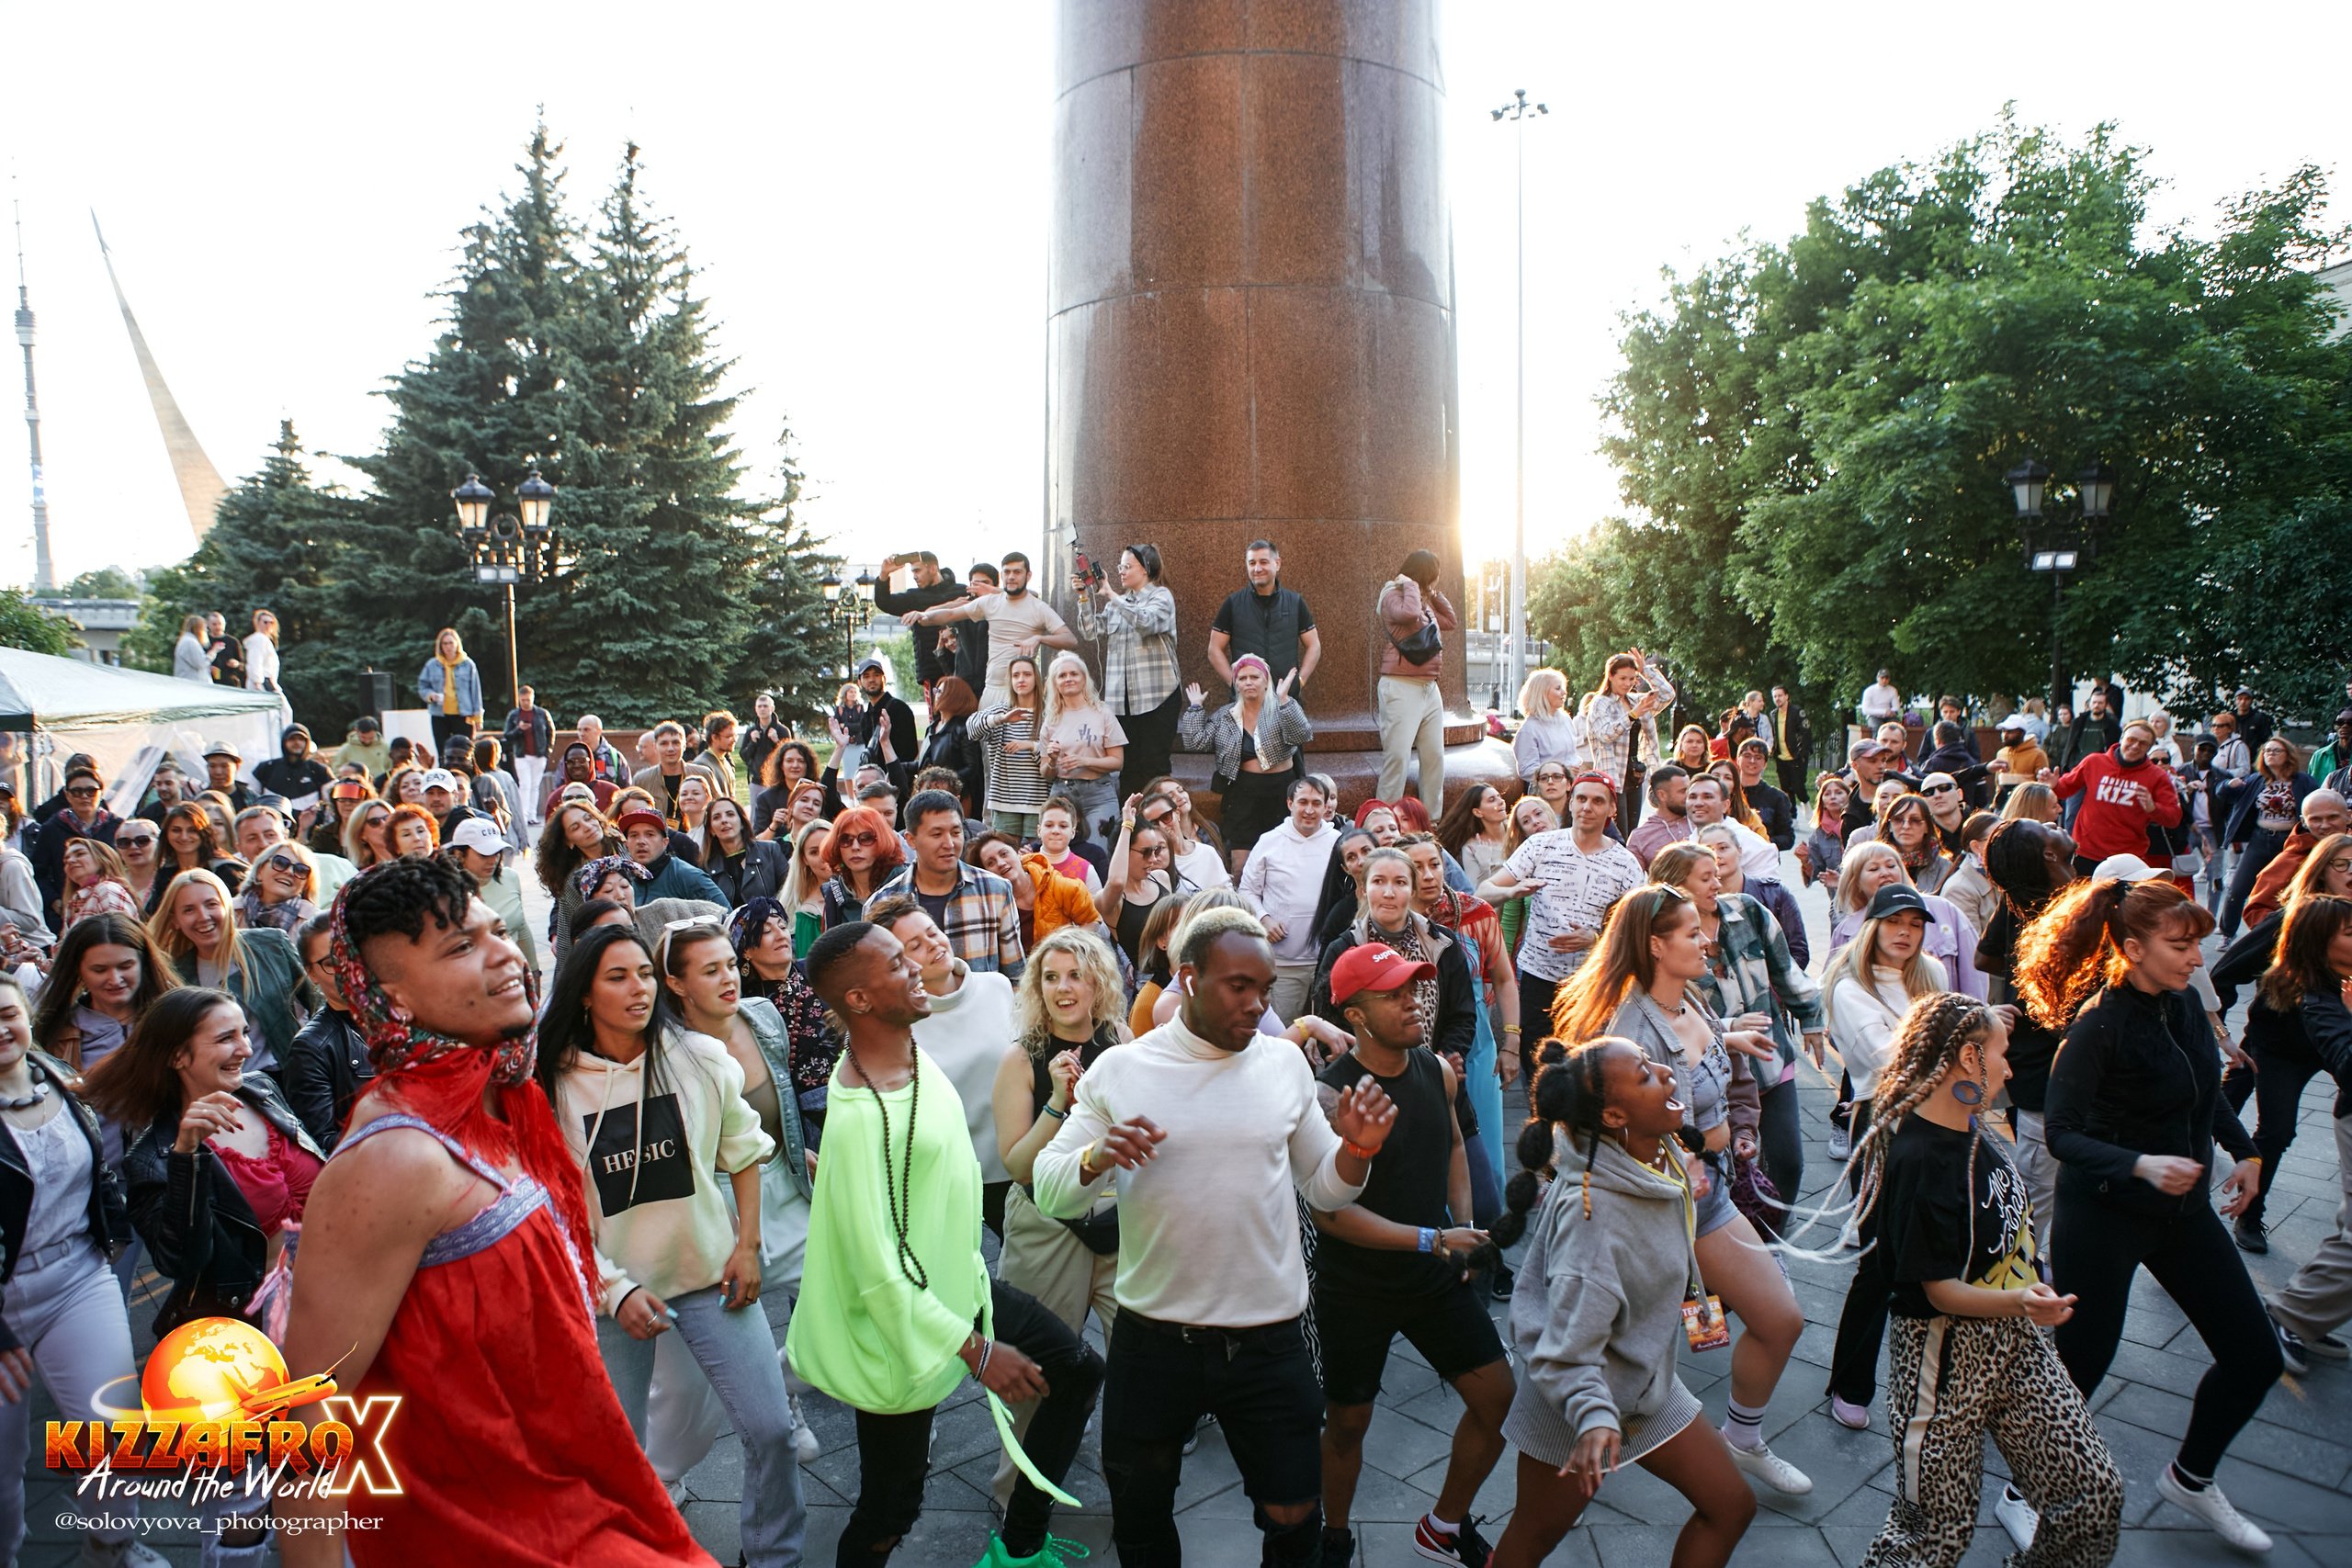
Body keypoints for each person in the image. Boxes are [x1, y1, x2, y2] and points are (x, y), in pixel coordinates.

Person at [270, 858, 707, 1566]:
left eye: (498, 930)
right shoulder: (394, 1158)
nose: (505, 954)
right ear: (392, 998)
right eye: (460, 947)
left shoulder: (508, 1092)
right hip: (489, 1534)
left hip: (580, 1496)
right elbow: (307, 1407)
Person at [1032, 908, 1396, 1568]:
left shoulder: (1283, 1065)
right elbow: (1050, 1187)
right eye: (1239, 986)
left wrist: (1358, 1152)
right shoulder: (1122, 1069)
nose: (1257, 1004)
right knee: (1140, 1523)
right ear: (1189, 978)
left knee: (1294, 1515)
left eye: (1263, 987)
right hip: (1153, 1340)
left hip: (1269, 1338)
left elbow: (1324, 1187)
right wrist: (1097, 1157)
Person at [788, 920, 1102, 1568]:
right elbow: (879, 1272)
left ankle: (1018, 1545)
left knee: (1077, 1368)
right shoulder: (863, 1118)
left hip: (961, 1288)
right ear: (860, 1000)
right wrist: (978, 1350)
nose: (918, 966)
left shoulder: (908, 1049)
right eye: (898, 963)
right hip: (897, 1333)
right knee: (890, 1507)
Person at [2022, 875, 2279, 1551]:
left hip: (2183, 1212)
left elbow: (2205, 1090)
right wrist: (2140, 1163)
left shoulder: (2185, 1005)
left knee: (2256, 1354)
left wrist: (2245, 1151)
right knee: (2081, 1364)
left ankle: (2191, 1478)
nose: (2198, 957)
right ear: (2133, 947)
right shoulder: (2099, 1024)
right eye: (2182, 944)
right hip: (2104, 1213)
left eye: (2197, 943)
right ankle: (2024, 1487)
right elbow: (2063, 1134)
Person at [535, 924, 804, 1567]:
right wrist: (614, 1287)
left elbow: (743, 1151)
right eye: (617, 976)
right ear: (583, 995)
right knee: (614, 1453)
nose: (638, 989)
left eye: (645, 974)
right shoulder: (554, 1086)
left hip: (712, 1273)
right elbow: (556, 1212)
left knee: (772, 1431)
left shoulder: (701, 1057)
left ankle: (775, 1556)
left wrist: (746, 1244)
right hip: (611, 1296)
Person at [1846, 992, 2124, 1567]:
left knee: (2093, 1494)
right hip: (1944, 1361)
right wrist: (2023, 1300)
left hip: (2016, 1344)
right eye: (2001, 1053)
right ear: (1968, 1060)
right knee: (1931, 1537)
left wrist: (2029, 1284)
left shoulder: (1972, 1122)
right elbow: (1939, 1291)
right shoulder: (1921, 1158)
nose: (2010, 1066)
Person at [1553, 882, 1814, 1495]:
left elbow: (1712, 1058)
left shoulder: (1689, 996)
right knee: (1622, 1351)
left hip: (1712, 1195)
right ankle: (1570, 1448)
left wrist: (1732, 1052)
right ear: (1654, 944)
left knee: (1782, 1319)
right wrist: (1671, 1164)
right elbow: (1600, 1127)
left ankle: (1741, 1438)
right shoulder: (1625, 1031)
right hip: (1659, 1208)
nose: (1709, 938)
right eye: (1693, 931)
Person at [1485, 1040, 1757, 1568]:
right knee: (1530, 1542)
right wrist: (1592, 1416)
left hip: (1644, 1384)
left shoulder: (1651, 1152)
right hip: (1576, 1407)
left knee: (1731, 1506)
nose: (1666, 1072)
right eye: (1646, 1075)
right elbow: (1562, 1347)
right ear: (1613, 1114)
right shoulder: (1593, 1218)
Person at [1309, 943, 1514, 1568]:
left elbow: (1454, 1143)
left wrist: (1464, 1225)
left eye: (1415, 987)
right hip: (1355, 1285)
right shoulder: (1329, 1096)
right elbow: (1332, 1214)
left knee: (1498, 1396)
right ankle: (1334, 1536)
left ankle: (1443, 1525)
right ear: (1357, 1014)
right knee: (1348, 1424)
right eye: (1395, 992)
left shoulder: (1437, 1069)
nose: (1415, 999)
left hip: (1433, 1270)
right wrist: (1433, 1238)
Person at [0, 974, 165, 1568]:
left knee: (115, 1435)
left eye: (7, 1013)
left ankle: (110, 1548)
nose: (0, 1029)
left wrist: (113, 1230)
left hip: (77, 1276)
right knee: (2, 1466)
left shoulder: (59, 1080)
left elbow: (103, 1167)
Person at [1819, 883, 1951, 1427]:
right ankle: (1850, 1384)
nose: (1906, 932)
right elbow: (1884, 1057)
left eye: (1916, 924)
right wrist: (1958, 1038)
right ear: (1872, 925)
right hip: (1883, 1123)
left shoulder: (1933, 976)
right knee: (1879, 1259)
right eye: (1895, 921)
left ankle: (1946, 1382)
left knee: (1942, 1254)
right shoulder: (1851, 987)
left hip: (1943, 1121)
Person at [1656, 840, 1823, 1237]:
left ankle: (1772, 1232)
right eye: (1706, 877)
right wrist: (1730, 1028)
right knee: (1726, 1169)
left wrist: (1812, 1021)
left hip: (1769, 1061)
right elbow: (1674, 1013)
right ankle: (1734, 1240)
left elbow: (1787, 972)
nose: (1718, 882)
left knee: (1788, 1161)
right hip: (1716, 1076)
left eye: (1718, 873)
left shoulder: (1749, 910)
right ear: (1677, 886)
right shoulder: (1667, 941)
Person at [2217, 855, 2352, 1254]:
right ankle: (2250, 1213)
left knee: (2228, 1097)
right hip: (2280, 1043)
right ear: (2322, 868)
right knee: (2275, 1129)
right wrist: (2218, 1033)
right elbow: (2223, 973)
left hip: (2336, 1042)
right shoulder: (2296, 918)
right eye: (2343, 863)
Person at [1476, 772, 1645, 1040]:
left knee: (1587, 1070)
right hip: (1537, 976)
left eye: (1597, 801)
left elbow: (1640, 928)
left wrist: (1595, 938)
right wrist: (1511, 891)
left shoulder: (1625, 863)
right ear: (1571, 802)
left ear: (1612, 808)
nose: (1587, 807)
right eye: (1581, 799)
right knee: (1536, 1065)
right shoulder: (1541, 845)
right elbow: (1484, 891)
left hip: (1592, 981)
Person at [2259, 897, 2352, 1369]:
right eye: (2349, 932)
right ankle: (2291, 1315)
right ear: (2321, 944)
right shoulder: (2321, 998)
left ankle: (2303, 1315)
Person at [151, 867, 313, 1077]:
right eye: (189, 910)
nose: (203, 917)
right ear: (175, 920)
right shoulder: (175, 975)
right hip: (220, 1088)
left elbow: (315, 1004)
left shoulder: (272, 944)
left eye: (211, 905)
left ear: (227, 906)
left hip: (287, 1077)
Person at [872, 790, 1025, 978]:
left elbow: (1016, 975)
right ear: (911, 840)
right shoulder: (882, 903)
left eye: (955, 832)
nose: (949, 843)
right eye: (937, 834)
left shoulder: (996, 890)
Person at [906, 550, 1080, 712]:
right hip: (990, 690)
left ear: (1028, 576)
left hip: (1021, 693)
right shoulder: (990, 602)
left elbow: (1070, 640)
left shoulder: (1039, 608)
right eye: (1007, 572)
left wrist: (1039, 639)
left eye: (1017, 572)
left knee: (1020, 745)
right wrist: (923, 615)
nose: (1011, 576)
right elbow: (951, 614)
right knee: (985, 745)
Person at [1073, 543, 1182, 791]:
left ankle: (1160, 824)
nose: (1121, 571)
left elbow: (1144, 622)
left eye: (1127, 566)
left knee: (1155, 768)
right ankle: (1131, 827)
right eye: (1119, 566)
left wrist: (1111, 594)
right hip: (1122, 703)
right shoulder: (1117, 603)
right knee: (1128, 769)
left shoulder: (1161, 596)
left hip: (1157, 699)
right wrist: (1083, 597)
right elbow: (1090, 631)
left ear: (1145, 569)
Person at [1238, 774, 1339, 1021]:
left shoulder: (1339, 843)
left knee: (1328, 1036)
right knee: (1283, 1034)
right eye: (1303, 802)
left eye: (1316, 803)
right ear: (1290, 803)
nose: (1309, 810)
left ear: (1327, 807)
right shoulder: (1269, 841)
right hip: (1283, 962)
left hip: (1329, 959)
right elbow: (1246, 891)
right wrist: (1264, 918)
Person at [1371, 550, 1457, 810]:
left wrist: (1433, 593)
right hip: (1401, 685)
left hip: (1429, 687)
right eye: (1433, 576)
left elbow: (1449, 621)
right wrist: (1410, 583)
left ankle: (1431, 822)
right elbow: (1408, 614)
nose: (1436, 579)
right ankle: (1382, 821)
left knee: (1434, 757)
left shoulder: (1420, 599)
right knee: (1397, 757)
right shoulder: (1392, 595)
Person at [280, 911, 372, 1154]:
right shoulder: (311, 1048)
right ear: (311, 973)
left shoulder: (413, 1012)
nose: (347, 969)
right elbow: (321, 1144)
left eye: (352, 954)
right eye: (332, 962)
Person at [2213, 735, 2318, 938]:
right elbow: (2222, 793)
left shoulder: (2303, 781)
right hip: (2260, 840)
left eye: (2276, 751)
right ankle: (2227, 933)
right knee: (2238, 889)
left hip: (2290, 841)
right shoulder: (2256, 780)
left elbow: (2316, 800)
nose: (2270, 754)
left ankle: (2283, 935)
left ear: (2288, 755)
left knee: (2286, 890)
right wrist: (2228, 785)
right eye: (2267, 751)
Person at [1208, 539, 1322, 694]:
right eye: (1252, 563)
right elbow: (1214, 649)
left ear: (1277, 564)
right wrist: (1236, 685)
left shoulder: (1295, 602)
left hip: (1286, 700)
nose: (1257, 568)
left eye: (1263, 562)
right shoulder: (1233, 604)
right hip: (1246, 704)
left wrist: (1299, 682)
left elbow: (1314, 646)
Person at [1036, 650, 1126, 843]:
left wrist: (1084, 761)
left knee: (1100, 851)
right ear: (1055, 683)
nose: (1068, 679)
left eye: (1074, 674)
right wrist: (1052, 761)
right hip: (1062, 792)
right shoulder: (1051, 719)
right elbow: (1046, 773)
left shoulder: (1102, 712)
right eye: (1062, 675)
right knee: (1060, 851)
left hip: (1099, 793)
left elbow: (1118, 762)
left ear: (1084, 679)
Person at [2239, 788, 2350, 931]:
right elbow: (2256, 911)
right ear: (2303, 822)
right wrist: (2297, 933)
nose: (2325, 825)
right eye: (2316, 819)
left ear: (2348, 816)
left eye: (2333, 817)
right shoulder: (2290, 860)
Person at [442, 818, 540, 978]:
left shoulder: (510, 878)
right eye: (484, 854)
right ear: (459, 854)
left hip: (513, 973)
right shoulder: (445, 891)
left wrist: (534, 971)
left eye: (497, 852)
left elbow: (521, 927)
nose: (493, 859)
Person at [975, 655, 1052, 840]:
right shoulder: (1001, 710)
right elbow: (972, 729)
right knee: (1005, 856)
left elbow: (1058, 751)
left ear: (1036, 679)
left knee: (1036, 860)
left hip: (1039, 801)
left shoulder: (1048, 713)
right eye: (1016, 675)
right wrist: (1001, 719)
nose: (1021, 679)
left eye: (1027, 674)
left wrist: (1031, 746)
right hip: (1004, 802)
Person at [31, 767, 121, 923]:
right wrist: (54, 900)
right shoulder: (51, 829)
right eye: (77, 791)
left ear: (101, 793)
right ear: (67, 795)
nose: (84, 796)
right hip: (66, 911)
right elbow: (38, 872)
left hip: (111, 906)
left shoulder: (117, 826)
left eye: (91, 791)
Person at [872, 550, 971, 691]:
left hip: (965, 667)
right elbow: (884, 603)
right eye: (912, 572)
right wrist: (884, 575)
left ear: (933, 569)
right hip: (932, 673)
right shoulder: (913, 597)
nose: (914, 576)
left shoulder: (961, 591)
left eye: (918, 571)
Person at [617, 807, 728, 907]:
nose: (641, 841)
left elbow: (727, 918)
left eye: (650, 834)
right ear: (627, 844)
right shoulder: (622, 881)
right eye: (634, 835)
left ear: (665, 843)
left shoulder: (687, 876)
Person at [817, 803, 902, 929]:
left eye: (866, 838)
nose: (855, 847)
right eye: (845, 840)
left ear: (882, 841)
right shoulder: (834, 893)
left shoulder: (903, 883)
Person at [914, 674, 985, 816]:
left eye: (941, 692)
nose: (937, 695)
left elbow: (972, 767)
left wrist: (946, 782)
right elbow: (924, 763)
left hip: (957, 796)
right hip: (930, 792)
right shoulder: (932, 727)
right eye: (936, 691)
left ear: (954, 696)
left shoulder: (963, 729)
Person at [416, 627, 483, 754]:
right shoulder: (432, 664)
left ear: (457, 643)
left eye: (451, 643)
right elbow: (422, 685)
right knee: (442, 751)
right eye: (445, 643)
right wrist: (430, 696)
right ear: (440, 646)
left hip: (463, 714)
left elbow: (475, 691)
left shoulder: (468, 664)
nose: (448, 647)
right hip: (439, 714)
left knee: (464, 750)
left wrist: (478, 717)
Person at [1435, 782, 1511, 892]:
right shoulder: (1472, 847)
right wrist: (1485, 867)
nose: (1501, 802)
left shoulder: (1517, 830)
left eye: (1499, 797)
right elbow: (1475, 895)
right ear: (1478, 812)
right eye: (1492, 800)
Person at [232, 839, 319, 933]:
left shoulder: (314, 922)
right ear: (259, 871)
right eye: (280, 863)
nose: (289, 872)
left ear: (306, 884)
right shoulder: (228, 911)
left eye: (301, 870)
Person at [1513, 668, 1579, 784]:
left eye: (1563, 688)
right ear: (1542, 693)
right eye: (1558, 688)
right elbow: (1526, 770)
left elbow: (1573, 755)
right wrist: (1560, 773)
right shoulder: (1529, 729)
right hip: (1547, 793)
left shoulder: (1565, 719)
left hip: (1571, 787)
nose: (1564, 692)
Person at [498, 684, 554, 824]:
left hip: (539, 754)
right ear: (519, 700)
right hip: (521, 755)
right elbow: (508, 735)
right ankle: (523, 815)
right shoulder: (514, 715)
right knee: (524, 784)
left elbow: (550, 732)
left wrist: (548, 751)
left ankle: (532, 816)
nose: (526, 703)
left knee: (535, 785)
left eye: (528, 700)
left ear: (532, 698)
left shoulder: (542, 713)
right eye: (523, 700)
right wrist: (519, 729)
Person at [60, 836, 141, 927]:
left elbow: (119, 934)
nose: (70, 861)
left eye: (80, 854)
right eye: (66, 860)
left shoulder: (108, 890)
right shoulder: (73, 902)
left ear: (103, 859)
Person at [252, 722, 333, 814]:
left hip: (311, 825)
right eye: (292, 739)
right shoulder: (265, 768)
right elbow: (251, 799)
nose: (297, 742)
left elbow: (332, 804)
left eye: (301, 739)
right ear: (284, 741)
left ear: (307, 742)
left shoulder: (319, 770)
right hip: (274, 824)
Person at [752, 740, 824, 839]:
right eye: (789, 761)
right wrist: (773, 825)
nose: (795, 765)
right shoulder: (766, 798)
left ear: (808, 766)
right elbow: (757, 842)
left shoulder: (819, 794)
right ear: (781, 765)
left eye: (801, 761)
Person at [1625, 764, 1691, 869]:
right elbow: (1632, 880)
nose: (1689, 796)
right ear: (1662, 795)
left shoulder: (1701, 820)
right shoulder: (1641, 836)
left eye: (1689, 790)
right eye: (1683, 791)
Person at [1758, 685, 1813, 802]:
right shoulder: (1773, 714)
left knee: (1798, 786)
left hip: (1796, 756)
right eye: (1775, 696)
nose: (1777, 699)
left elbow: (1806, 733)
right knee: (1786, 789)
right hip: (1781, 757)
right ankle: (1792, 816)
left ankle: (1805, 803)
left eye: (1780, 696)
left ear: (1786, 696)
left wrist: (1803, 754)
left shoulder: (1797, 712)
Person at [203, 612, 244, 690]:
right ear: (208, 624)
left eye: (220, 624)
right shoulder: (204, 641)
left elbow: (242, 664)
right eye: (214, 624)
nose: (218, 627)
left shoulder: (233, 641)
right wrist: (208, 667)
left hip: (230, 683)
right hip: (209, 683)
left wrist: (236, 664)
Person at [173, 611, 211, 682]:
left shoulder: (185, 640)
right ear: (199, 629)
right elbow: (200, 663)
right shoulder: (191, 642)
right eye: (205, 628)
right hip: (192, 683)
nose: (206, 631)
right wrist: (213, 653)